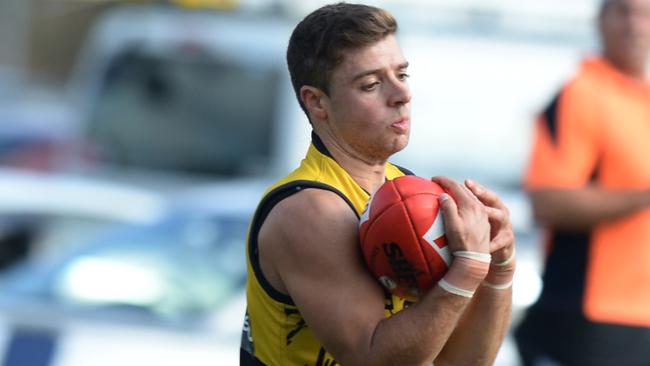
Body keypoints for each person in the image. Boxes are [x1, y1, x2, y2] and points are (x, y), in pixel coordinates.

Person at [240, 3, 516, 366]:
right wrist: (467, 271)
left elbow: (461, 362)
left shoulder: (409, 190)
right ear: (317, 102)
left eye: (402, 74)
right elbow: (372, 360)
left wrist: (499, 270)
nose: (401, 94)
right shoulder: (309, 210)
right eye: (371, 84)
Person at [514, 0, 650, 365]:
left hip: (640, 319)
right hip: (587, 316)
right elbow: (548, 202)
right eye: (623, 11)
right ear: (600, 19)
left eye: (644, 13)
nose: (635, 25)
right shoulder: (580, 94)